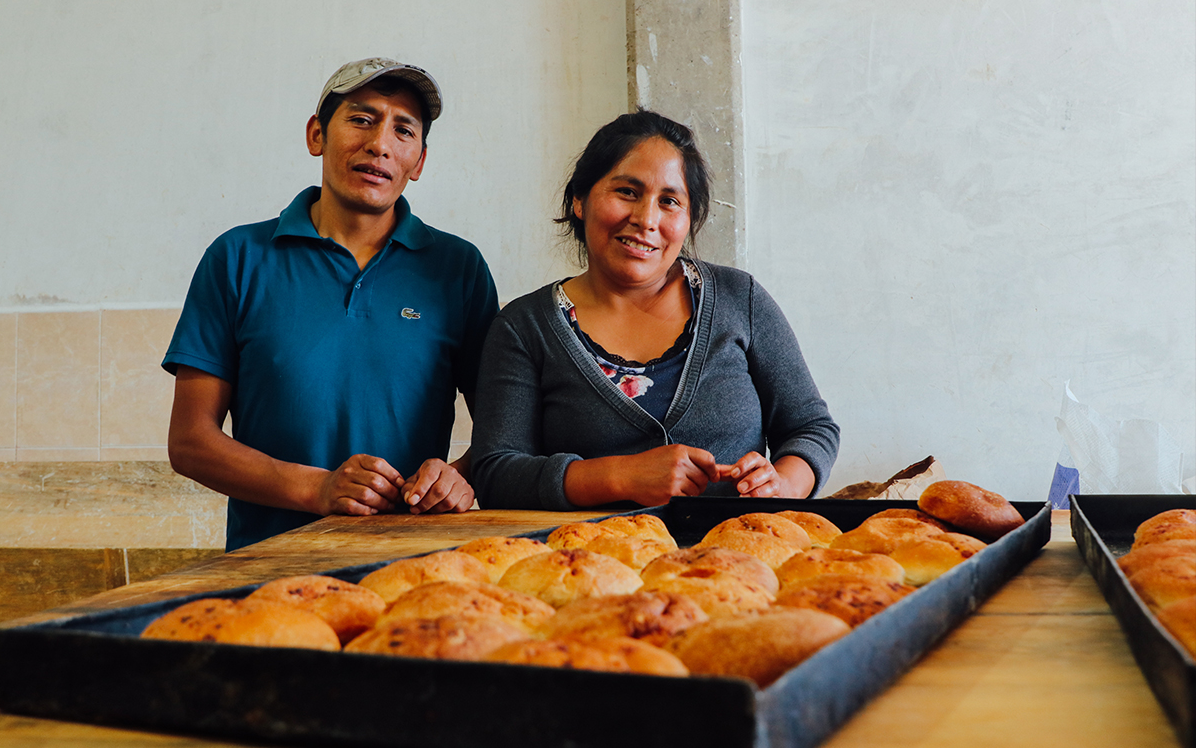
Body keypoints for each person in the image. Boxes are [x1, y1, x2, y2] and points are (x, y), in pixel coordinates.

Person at [163, 58, 499, 550]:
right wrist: (318, 488)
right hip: (268, 571)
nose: (379, 144)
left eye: (403, 130)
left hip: (414, 565)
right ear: (317, 135)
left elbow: (504, 429)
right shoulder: (238, 258)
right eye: (361, 119)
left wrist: (456, 477)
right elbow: (191, 441)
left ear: (419, 161)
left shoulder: (457, 269)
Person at [471, 109, 839, 511]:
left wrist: (782, 484)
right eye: (627, 192)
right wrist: (621, 476)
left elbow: (811, 428)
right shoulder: (524, 328)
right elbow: (496, 473)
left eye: (669, 201)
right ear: (580, 199)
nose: (646, 219)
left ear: (688, 219)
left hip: (738, 559)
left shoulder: (740, 298)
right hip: (589, 566)